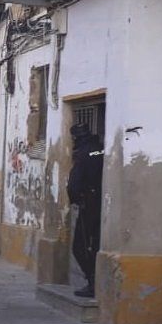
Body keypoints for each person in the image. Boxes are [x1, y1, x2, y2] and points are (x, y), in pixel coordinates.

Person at [67, 123, 104, 298]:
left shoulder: (82, 154)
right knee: (96, 244)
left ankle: (92, 282)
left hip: (88, 204)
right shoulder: (100, 148)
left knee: (80, 247)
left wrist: (75, 199)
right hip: (102, 203)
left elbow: (74, 184)